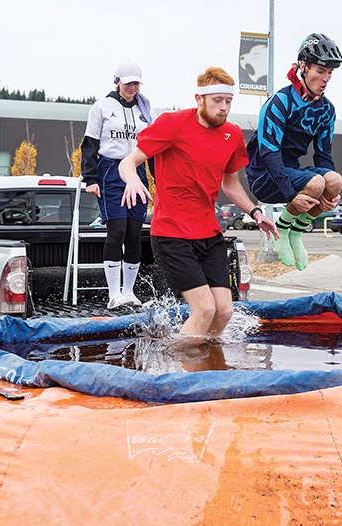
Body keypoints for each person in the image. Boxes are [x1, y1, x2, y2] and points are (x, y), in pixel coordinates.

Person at [118, 67, 278, 344]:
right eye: (217, 101)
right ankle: (181, 371)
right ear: (199, 99)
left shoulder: (232, 135)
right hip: (172, 234)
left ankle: (207, 365)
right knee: (204, 309)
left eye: (228, 101)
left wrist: (254, 212)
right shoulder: (173, 124)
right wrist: (132, 180)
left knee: (225, 311)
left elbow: (231, 185)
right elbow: (128, 162)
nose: (224, 108)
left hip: (209, 233)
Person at [245, 33, 342, 270]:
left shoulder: (326, 110)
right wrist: (292, 195)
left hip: (291, 171)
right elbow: (269, 153)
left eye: (330, 73)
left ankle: (296, 234)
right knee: (316, 184)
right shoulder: (280, 102)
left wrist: (328, 198)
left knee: (334, 182)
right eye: (321, 70)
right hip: (264, 176)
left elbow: (323, 154)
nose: (326, 78)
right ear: (303, 65)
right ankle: (282, 229)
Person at [81, 60, 155, 309]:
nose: (133, 87)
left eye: (136, 83)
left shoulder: (145, 110)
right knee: (117, 230)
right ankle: (114, 294)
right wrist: (90, 178)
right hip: (110, 171)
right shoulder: (102, 107)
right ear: (118, 82)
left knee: (134, 233)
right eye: (128, 83)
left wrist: (158, 180)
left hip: (137, 171)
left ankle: (129, 292)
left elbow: (152, 148)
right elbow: (89, 144)